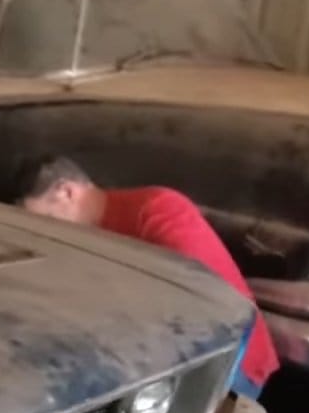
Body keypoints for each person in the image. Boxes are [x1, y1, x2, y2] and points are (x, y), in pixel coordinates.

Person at [15, 155, 279, 398]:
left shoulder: (156, 208)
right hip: (169, 358)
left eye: (47, 219)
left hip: (233, 360)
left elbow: (203, 296)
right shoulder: (86, 238)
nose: (47, 232)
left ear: (66, 192)